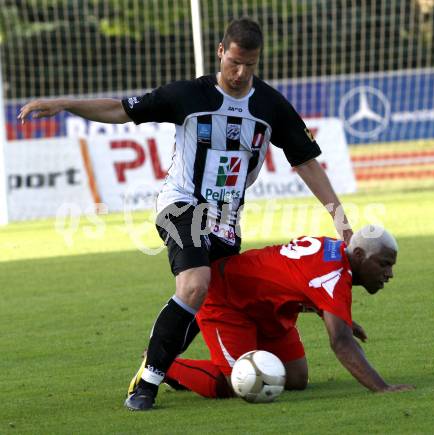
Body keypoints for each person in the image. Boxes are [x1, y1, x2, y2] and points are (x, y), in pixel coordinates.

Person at [18, 18, 353, 411]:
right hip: (180, 205)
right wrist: (63, 104)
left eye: (250, 64)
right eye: (234, 62)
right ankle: (146, 383)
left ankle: (167, 363)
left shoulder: (270, 105)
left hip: (226, 220)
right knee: (195, 283)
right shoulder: (188, 95)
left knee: (209, 297)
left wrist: (340, 219)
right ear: (220, 52)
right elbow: (120, 109)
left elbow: (307, 162)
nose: (241, 73)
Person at [162, 225, 414, 397]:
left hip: (267, 308)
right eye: (384, 264)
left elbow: (305, 278)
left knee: (294, 378)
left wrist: (333, 313)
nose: (389, 273)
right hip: (228, 299)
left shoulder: (334, 250)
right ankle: (164, 365)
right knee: (239, 383)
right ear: (358, 254)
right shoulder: (333, 275)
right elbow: (341, 342)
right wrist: (382, 388)